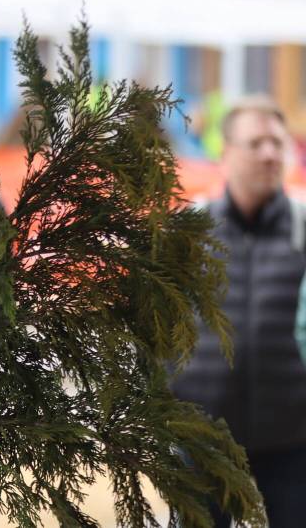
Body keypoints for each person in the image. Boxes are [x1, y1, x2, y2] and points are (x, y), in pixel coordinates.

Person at [171, 96, 306, 528]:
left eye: (276, 143)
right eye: (256, 143)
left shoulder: (304, 228)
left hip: (292, 439)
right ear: (225, 153)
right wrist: (168, 397)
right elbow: (155, 324)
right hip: (204, 439)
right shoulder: (190, 230)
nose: (269, 153)